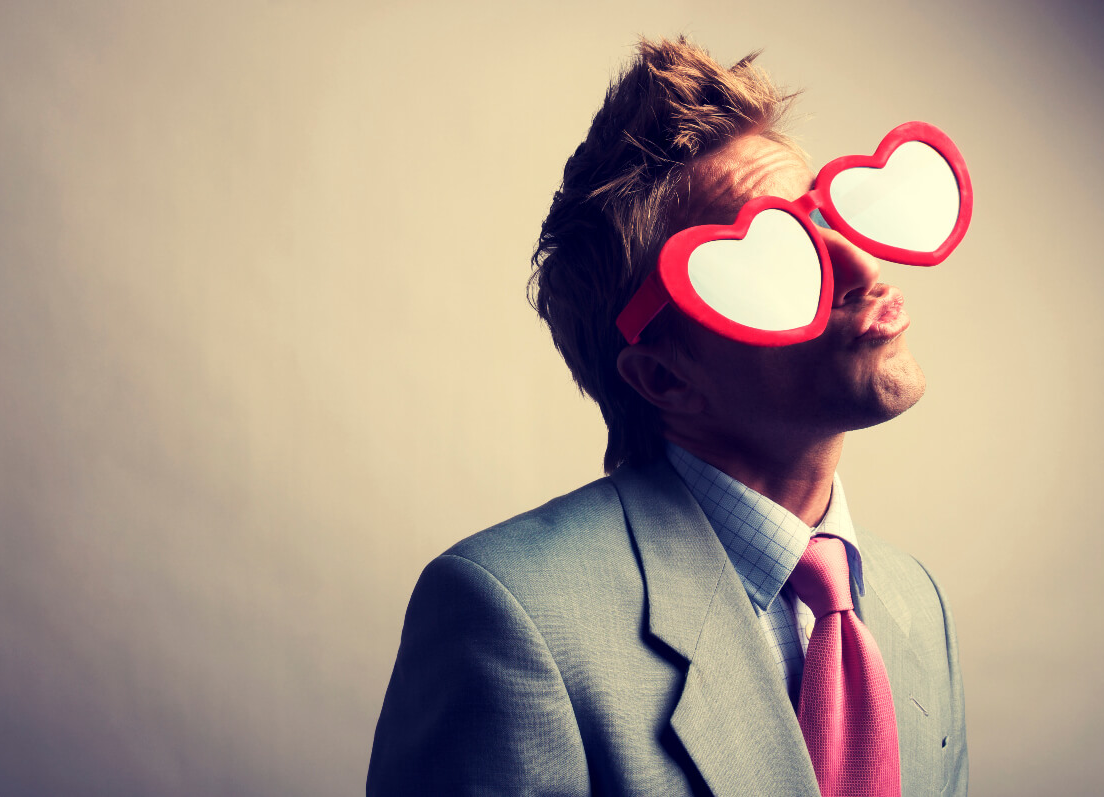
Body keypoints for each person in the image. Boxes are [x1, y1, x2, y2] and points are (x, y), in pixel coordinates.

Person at [368, 36, 968, 796]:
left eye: (829, 216)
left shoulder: (913, 601)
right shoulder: (511, 619)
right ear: (664, 376)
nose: (859, 269)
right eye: (773, 257)